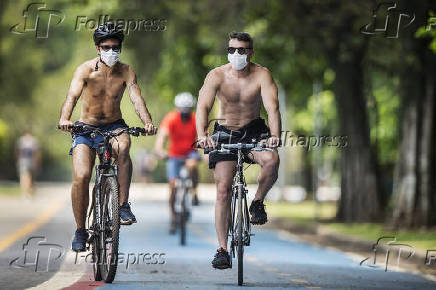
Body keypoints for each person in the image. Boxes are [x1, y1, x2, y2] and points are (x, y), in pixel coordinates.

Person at [58, 22, 157, 252]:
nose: (111, 51)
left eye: (115, 46)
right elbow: (71, 96)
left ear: (120, 47)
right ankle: (80, 230)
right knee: (82, 175)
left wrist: (147, 122)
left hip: (114, 126)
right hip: (85, 128)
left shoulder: (126, 70)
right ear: (97, 48)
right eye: (106, 46)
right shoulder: (85, 70)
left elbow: (136, 98)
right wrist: (65, 119)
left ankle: (122, 205)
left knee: (124, 146)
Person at [196, 32, 281, 269]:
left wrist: (275, 136)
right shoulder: (216, 75)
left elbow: (272, 108)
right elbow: (202, 106)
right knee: (223, 189)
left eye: (241, 50)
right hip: (224, 133)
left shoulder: (262, 74)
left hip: (254, 131)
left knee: (272, 161)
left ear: (251, 53)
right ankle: (222, 249)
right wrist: (202, 136)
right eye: (232, 49)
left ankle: (257, 202)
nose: (236, 54)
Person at [154, 92, 200, 234]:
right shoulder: (171, 118)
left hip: (190, 152)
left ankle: (193, 191)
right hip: (173, 155)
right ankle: (173, 217)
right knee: (173, 186)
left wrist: (206, 153)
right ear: (177, 109)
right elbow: (162, 137)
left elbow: (204, 137)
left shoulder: (196, 119)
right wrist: (160, 151)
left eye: (188, 109)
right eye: (182, 110)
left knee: (192, 164)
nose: (185, 113)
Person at [16, 131, 41, 197]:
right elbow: (36, 153)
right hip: (27, 161)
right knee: (27, 177)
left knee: (25, 177)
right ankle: (27, 192)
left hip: (25, 161)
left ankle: (26, 192)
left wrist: (18, 160)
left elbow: (18, 152)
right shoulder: (33, 141)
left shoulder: (22, 140)